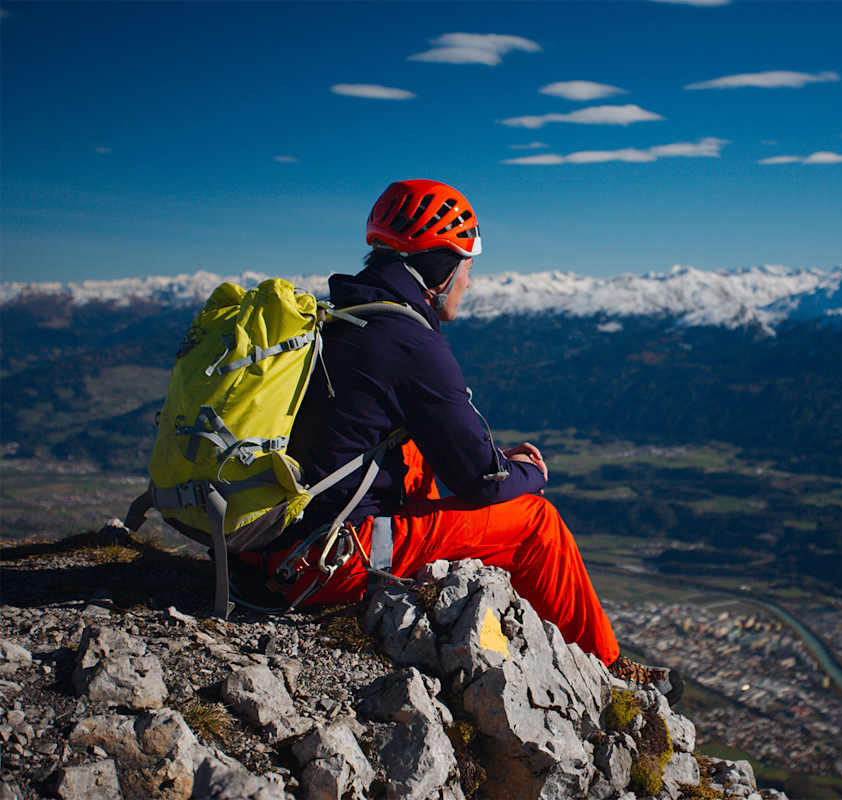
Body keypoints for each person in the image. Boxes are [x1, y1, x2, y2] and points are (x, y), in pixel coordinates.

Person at [257, 179, 678, 698]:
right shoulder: (410, 340)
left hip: (270, 546)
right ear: (440, 267)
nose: (470, 283)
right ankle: (609, 671)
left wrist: (493, 464)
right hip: (325, 562)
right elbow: (481, 482)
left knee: (422, 462)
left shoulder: (343, 317)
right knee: (534, 524)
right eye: (469, 267)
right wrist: (527, 473)